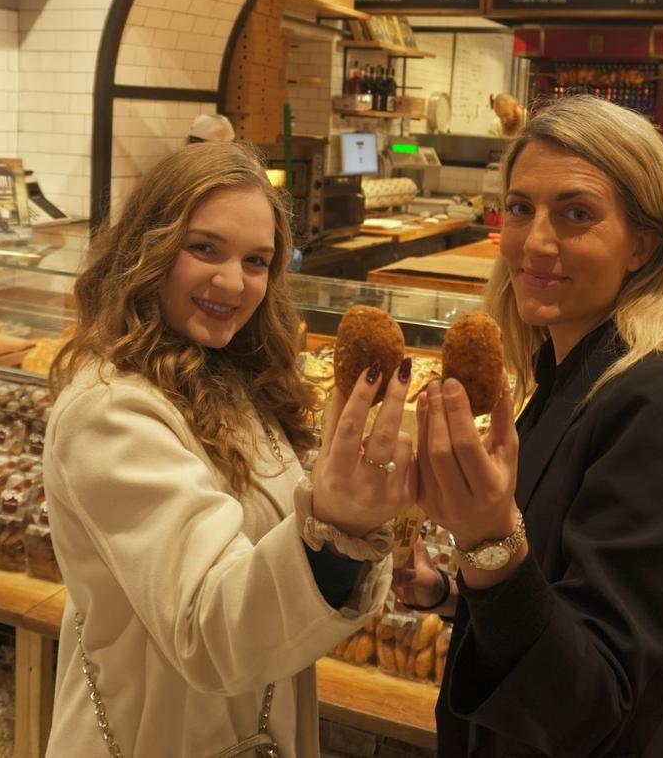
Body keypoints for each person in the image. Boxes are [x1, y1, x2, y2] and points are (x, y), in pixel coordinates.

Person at [394, 95, 663, 757]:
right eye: (519, 208)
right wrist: (453, 590)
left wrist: (487, 542)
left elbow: (587, 700)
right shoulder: (568, 376)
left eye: (577, 213)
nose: (536, 241)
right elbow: (564, 593)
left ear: (642, 246)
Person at [43, 141, 416, 757]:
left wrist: (355, 529)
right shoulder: (111, 410)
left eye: (256, 260)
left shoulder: (236, 382)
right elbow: (208, 630)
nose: (231, 282)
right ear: (150, 247)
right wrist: (336, 523)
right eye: (204, 249)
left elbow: (290, 577)